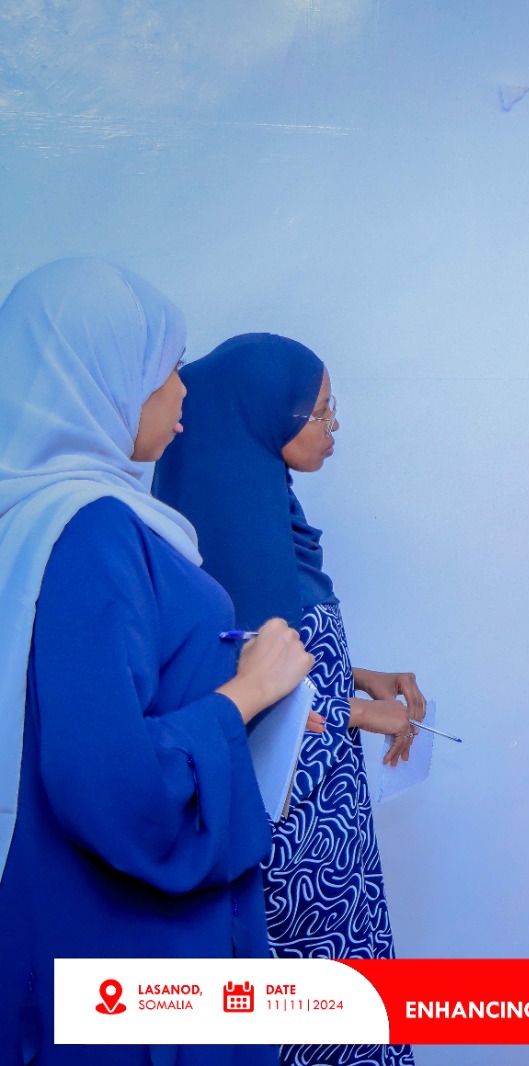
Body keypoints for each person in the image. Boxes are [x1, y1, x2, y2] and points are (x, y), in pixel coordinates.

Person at [0, 260, 314, 1065]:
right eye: (166, 368)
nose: (182, 393)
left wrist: (250, 694)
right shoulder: (94, 528)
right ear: (97, 375)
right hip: (125, 944)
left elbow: (76, 700)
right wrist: (245, 694)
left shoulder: (43, 520)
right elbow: (114, 785)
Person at [154, 333, 423, 1066]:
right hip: (289, 838)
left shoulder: (267, 515)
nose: (332, 429)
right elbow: (250, 708)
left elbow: (286, 647)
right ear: (265, 413)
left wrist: (354, 673)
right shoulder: (227, 545)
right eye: (321, 413)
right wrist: (362, 713)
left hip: (331, 825)